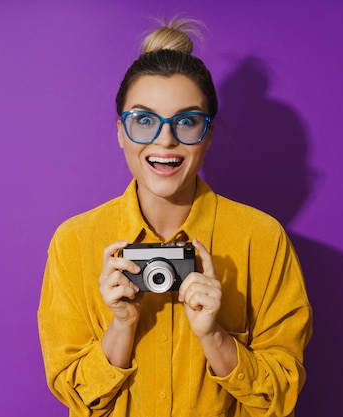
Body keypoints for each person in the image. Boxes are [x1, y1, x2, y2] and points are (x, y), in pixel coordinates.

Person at [37, 17, 312, 417]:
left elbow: (279, 396)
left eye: (186, 121)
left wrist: (214, 336)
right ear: (120, 131)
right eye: (144, 120)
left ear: (209, 133)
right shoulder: (75, 241)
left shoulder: (261, 238)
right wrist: (121, 326)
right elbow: (75, 397)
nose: (164, 140)